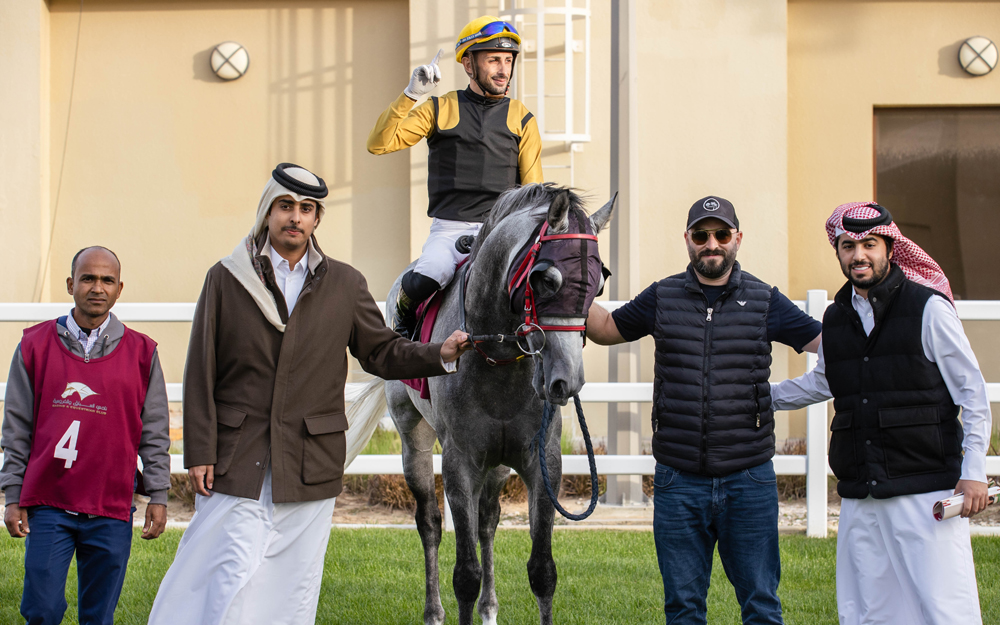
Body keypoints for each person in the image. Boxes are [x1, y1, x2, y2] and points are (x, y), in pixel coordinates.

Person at [147, 163, 471, 625]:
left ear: (317, 219)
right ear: (267, 213)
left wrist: (439, 353)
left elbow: (380, 352)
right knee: (224, 568)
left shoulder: (344, 283)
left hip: (309, 458)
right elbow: (200, 369)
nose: (295, 217)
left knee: (291, 584)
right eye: (285, 206)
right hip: (236, 455)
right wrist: (199, 449)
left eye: (306, 209)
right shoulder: (227, 278)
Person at [585, 196, 822, 624]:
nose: (711, 243)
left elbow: (828, 345)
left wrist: (783, 394)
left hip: (748, 478)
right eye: (701, 235)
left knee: (762, 607)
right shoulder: (663, 296)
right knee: (683, 609)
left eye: (721, 234)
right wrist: (566, 290)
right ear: (688, 241)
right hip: (678, 481)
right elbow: (605, 328)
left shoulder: (764, 299)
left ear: (737, 239)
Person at [771, 202, 992, 625]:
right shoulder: (836, 318)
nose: (859, 255)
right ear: (837, 251)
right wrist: (757, 396)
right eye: (848, 245)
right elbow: (824, 381)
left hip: (925, 490)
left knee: (946, 611)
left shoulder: (928, 308)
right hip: (861, 495)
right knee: (869, 612)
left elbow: (972, 392)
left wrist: (975, 470)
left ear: (890, 247)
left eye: (869, 244)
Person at [1, 246, 170, 625]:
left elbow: (155, 432)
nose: (97, 287)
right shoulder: (34, 345)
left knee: (98, 616)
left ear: (119, 288)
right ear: (70, 284)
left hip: (110, 505)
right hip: (48, 502)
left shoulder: (142, 353)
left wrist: (157, 494)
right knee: (41, 610)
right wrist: (14, 494)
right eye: (88, 278)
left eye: (107, 280)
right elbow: (16, 427)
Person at [367, 15, 543, 338]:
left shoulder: (523, 119)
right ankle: (402, 320)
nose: (503, 69)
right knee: (433, 272)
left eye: (507, 60)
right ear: (468, 64)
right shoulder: (439, 108)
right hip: (450, 230)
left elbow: (532, 193)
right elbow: (379, 143)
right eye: (493, 60)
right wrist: (410, 94)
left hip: (502, 230)